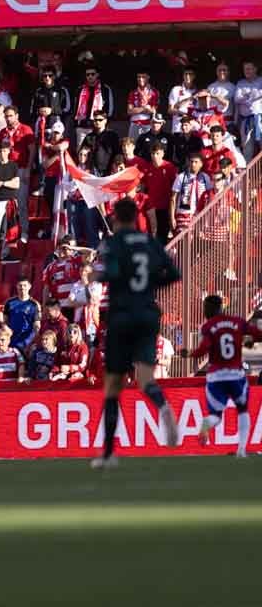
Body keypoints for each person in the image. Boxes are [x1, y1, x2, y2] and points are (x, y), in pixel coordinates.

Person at [92, 198, 181, 469]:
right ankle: (163, 407)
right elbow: (173, 273)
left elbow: (114, 272)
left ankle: (108, 454)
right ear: (136, 218)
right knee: (144, 378)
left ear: (117, 218)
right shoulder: (149, 242)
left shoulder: (114, 243)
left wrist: (100, 276)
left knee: (113, 387)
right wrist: (151, 282)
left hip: (121, 316)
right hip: (147, 314)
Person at [179, 294, 262, 458]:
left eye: (204, 308)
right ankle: (241, 450)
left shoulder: (208, 327)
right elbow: (258, 335)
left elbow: (203, 350)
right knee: (243, 410)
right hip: (236, 375)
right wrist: (249, 340)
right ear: (221, 307)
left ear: (209, 309)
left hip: (216, 376)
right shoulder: (237, 322)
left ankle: (206, 424)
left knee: (215, 416)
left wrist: (189, 353)